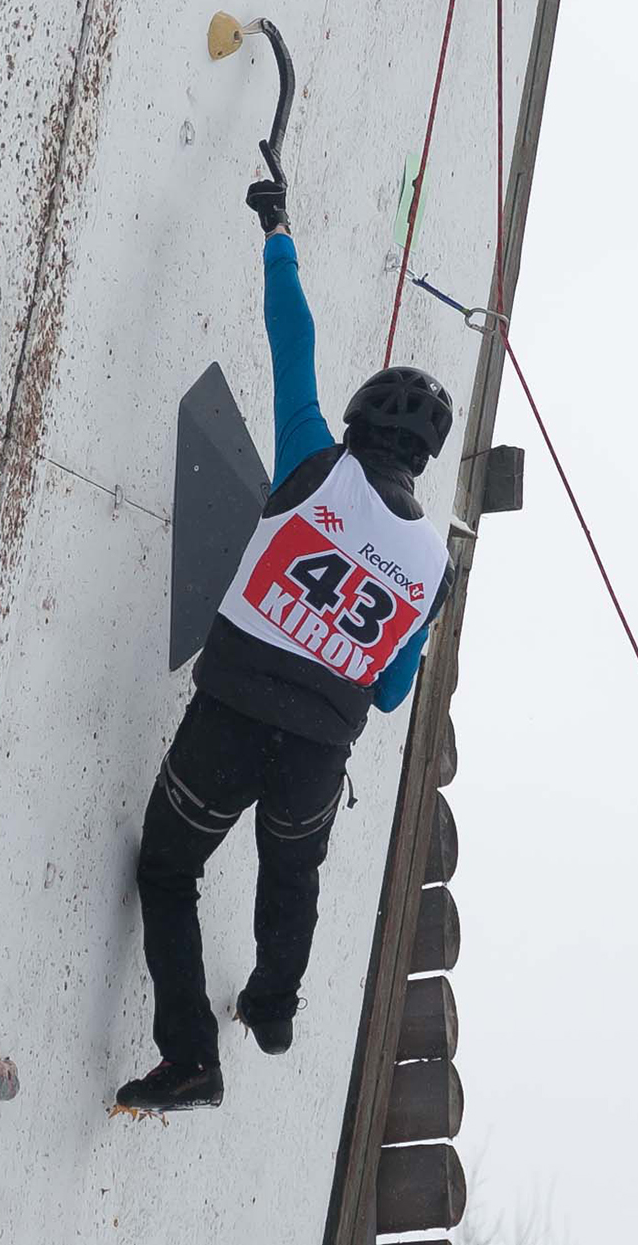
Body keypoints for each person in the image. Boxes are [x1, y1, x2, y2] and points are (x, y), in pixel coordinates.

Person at [116, 176, 456, 1112]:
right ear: (421, 458)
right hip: (315, 756)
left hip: (228, 716)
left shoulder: (314, 456)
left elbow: (290, 336)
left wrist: (278, 230)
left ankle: (191, 1058)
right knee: (291, 874)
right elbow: (389, 695)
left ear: (357, 426)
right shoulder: (434, 566)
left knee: (169, 869)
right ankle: (271, 1010)